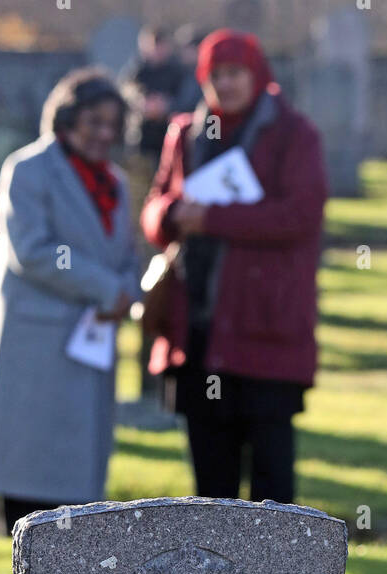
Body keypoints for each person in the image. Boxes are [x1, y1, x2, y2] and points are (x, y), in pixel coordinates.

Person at [140, 29, 327, 505]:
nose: (225, 84)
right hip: (198, 332)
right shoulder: (184, 133)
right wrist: (171, 214)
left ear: (257, 74)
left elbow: (300, 216)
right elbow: (154, 210)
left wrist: (212, 218)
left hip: (265, 326)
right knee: (210, 492)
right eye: (215, 74)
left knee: (273, 491)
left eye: (235, 72)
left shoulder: (295, 135)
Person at [0, 69, 140, 533]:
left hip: (89, 344)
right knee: (28, 482)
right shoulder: (28, 169)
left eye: (112, 124)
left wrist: (130, 290)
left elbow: (126, 254)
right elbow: (34, 252)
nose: (104, 133)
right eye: (93, 122)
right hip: (35, 347)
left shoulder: (114, 183)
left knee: (78, 499)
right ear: (65, 119)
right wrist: (107, 289)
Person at [121, 27, 186, 164]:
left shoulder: (178, 71)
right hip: (141, 137)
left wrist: (167, 106)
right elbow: (126, 91)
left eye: (160, 45)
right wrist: (140, 102)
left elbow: (187, 100)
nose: (157, 50)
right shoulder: (138, 70)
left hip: (169, 135)